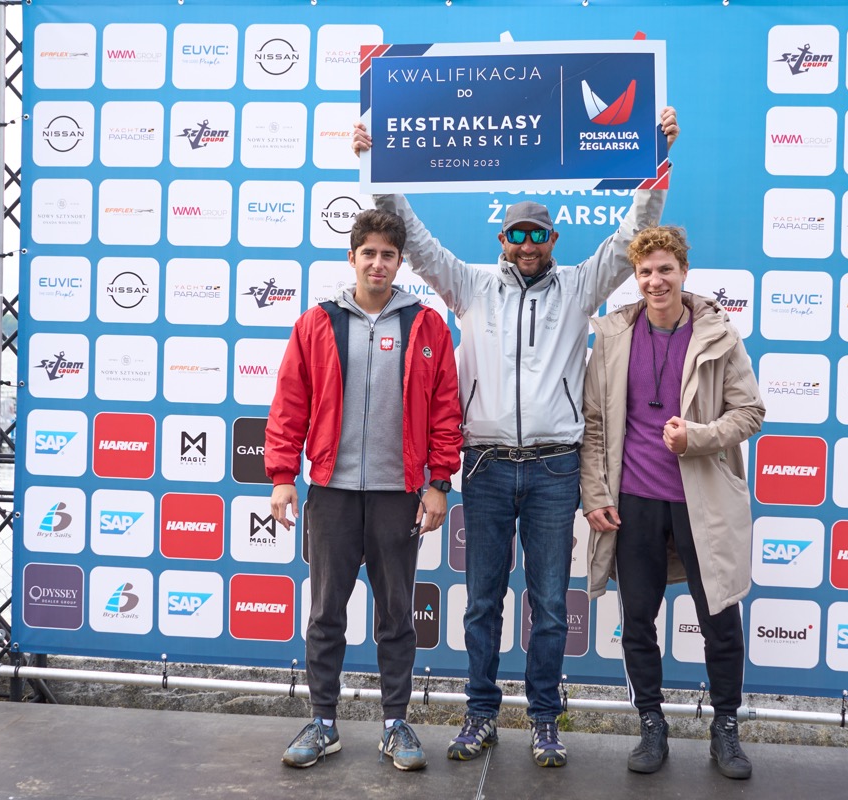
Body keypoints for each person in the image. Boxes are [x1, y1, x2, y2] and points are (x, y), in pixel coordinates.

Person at [352, 107, 680, 768]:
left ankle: (544, 720)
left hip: (557, 468)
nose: (528, 244)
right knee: (481, 603)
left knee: (551, 605)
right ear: (502, 239)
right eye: (517, 234)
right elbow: (415, 238)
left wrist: (656, 156)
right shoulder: (471, 285)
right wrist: (373, 164)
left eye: (538, 234)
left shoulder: (579, 286)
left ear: (553, 239)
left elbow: (632, 233)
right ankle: (480, 715)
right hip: (487, 466)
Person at [266, 208, 463, 771]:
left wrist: (438, 483)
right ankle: (323, 723)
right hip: (331, 491)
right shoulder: (317, 323)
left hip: (398, 494)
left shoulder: (426, 326)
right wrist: (282, 476)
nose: (378, 263)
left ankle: (395, 724)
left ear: (401, 263)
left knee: (396, 615)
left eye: (388, 255)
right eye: (369, 253)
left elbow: (446, 411)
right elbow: (290, 404)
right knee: (326, 612)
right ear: (351, 257)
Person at [580, 226, 764, 779]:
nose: (655, 281)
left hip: (701, 501)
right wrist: (595, 493)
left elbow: (750, 412)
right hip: (633, 501)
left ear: (684, 271)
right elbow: (594, 424)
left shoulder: (719, 335)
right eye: (645, 272)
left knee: (719, 619)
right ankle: (651, 724)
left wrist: (698, 437)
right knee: (637, 620)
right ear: (635, 278)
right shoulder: (613, 335)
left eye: (665, 269)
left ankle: (725, 728)